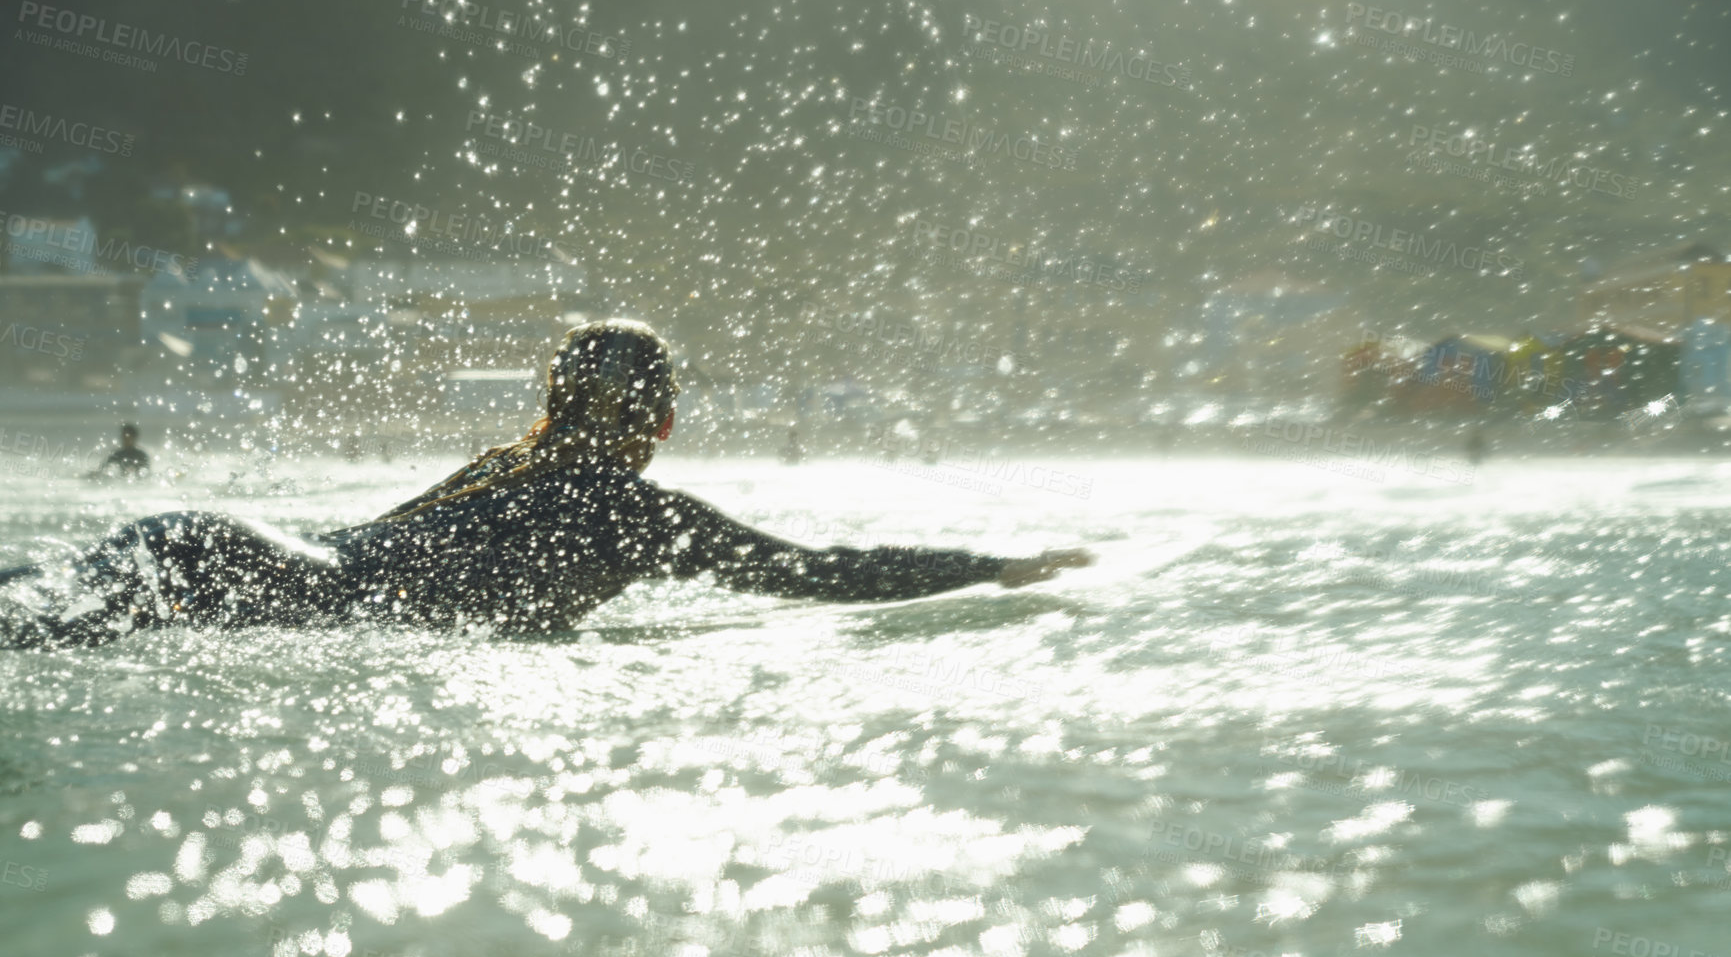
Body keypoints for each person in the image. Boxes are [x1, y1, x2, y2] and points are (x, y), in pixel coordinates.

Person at [1, 320, 1091, 649]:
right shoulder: (644, 515)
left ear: (552, 402)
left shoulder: (501, 466)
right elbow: (820, 574)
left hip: (213, 543)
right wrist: (992, 568)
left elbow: (367, 546)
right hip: (275, 587)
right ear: (663, 423)